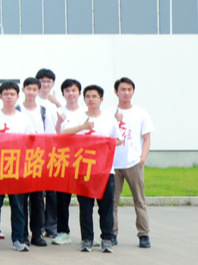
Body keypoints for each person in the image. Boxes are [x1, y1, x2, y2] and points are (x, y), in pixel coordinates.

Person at [60, 85, 123, 253]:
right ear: (84, 99)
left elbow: (119, 140)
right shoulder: (78, 118)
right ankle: (87, 239)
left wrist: (104, 142)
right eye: (88, 96)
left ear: (101, 99)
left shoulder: (109, 119)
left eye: (94, 96)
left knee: (106, 206)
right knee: (85, 207)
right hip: (84, 170)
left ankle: (107, 238)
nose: (91, 99)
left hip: (105, 170)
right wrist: (82, 127)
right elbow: (64, 134)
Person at [0, 81, 34, 252]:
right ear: (0, 96)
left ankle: (18, 239)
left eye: (12, 94)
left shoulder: (24, 118)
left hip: (17, 168)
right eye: (6, 94)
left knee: (18, 205)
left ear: (18, 96)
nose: (9, 97)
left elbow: (32, 141)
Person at [112, 77, 153, 248]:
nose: (126, 92)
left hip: (134, 163)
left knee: (139, 200)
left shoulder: (141, 113)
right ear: (116, 92)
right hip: (113, 164)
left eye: (129, 89)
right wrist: (115, 120)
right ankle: (111, 233)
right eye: (123, 89)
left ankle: (143, 234)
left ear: (133, 92)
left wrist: (142, 159)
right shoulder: (109, 114)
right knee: (112, 201)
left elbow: (146, 138)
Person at [16, 77, 57, 248]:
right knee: (21, 200)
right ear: (23, 90)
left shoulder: (44, 111)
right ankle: (22, 234)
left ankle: (37, 233)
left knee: (38, 199)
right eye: (28, 89)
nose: (31, 92)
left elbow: (50, 136)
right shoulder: (17, 110)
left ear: (39, 91)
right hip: (19, 160)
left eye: (34, 89)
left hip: (38, 159)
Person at [52, 79, 87, 246]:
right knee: (62, 199)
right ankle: (63, 231)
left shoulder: (87, 112)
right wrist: (59, 121)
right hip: (63, 160)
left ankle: (88, 234)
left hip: (83, 160)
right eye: (67, 91)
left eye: (74, 90)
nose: (71, 94)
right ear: (63, 94)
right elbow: (54, 135)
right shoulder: (57, 112)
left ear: (79, 93)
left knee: (85, 200)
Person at [35, 68, 62, 239]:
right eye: (42, 81)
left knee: (53, 192)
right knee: (37, 193)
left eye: (48, 81)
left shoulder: (56, 103)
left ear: (53, 83)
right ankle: (38, 226)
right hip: (37, 152)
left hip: (54, 151)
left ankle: (51, 226)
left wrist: (57, 102)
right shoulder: (33, 101)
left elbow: (67, 121)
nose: (45, 84)